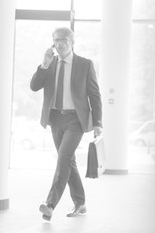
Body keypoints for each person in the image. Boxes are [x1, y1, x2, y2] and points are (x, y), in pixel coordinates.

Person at [30, 27, 103, 221]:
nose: (59, 43)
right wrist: (44, 65)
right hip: (55, 118)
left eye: (63, 40)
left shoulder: (85, 64)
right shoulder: (50, 63)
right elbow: (34, 86)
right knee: (68, 161)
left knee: (63, 158)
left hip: (75, 120)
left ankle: (50, 204)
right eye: (56, 40)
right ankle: (81, 203)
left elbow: (95, 95)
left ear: (72, 42)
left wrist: (98, 122)